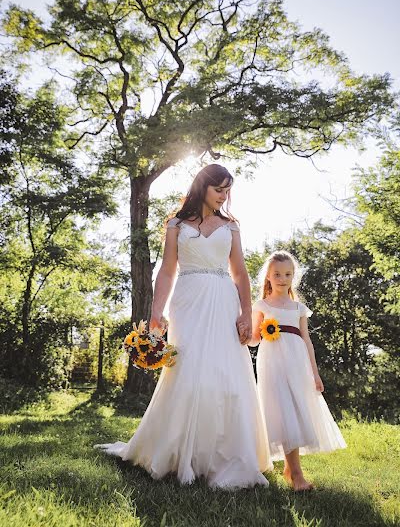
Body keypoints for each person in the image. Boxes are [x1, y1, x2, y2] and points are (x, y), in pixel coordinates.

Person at [95, 164, 271, 488]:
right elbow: (166, 270)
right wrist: (156, 312)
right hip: (187, 302)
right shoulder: (176, 224)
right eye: (219, 188)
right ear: (202, 186)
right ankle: (179, 454)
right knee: (187, 373)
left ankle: (224, 455)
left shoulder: (231, 227)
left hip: (222, 302)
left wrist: (246, 313)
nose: (224, 195)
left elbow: (241, 274)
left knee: (225, 374)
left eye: (228, 190)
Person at [250, 250, 346, 491]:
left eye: (288, 274)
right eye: (277, 274)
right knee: (281, 410)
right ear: (268, 277)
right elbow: (252, 339)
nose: (282, 278)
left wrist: (314, 373)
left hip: (297, 363)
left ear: (294, 277)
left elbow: (307, 341)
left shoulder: (298, 308)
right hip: (271, 362)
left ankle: (290, 468)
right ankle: (297, 476)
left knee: (295, 410)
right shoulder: (261, 305)